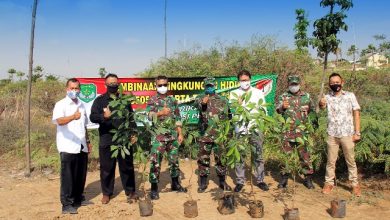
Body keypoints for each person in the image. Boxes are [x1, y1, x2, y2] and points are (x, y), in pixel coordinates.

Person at [90, 73, 138, 204]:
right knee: (107, 168)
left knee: (127, 166)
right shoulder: (100, 101)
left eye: (115, 83)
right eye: (110, 83)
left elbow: (131, 117)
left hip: (124, 138)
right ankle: (107, 193)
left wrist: (133, 133)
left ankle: (130, 191)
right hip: (107, 138)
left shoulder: (124, 100)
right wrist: (104, 117)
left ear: (118, 84)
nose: (113, 85)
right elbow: (92, 117)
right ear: (105, 85)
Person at [52, 78, 92, 214]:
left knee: (80, 174)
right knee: (68, 175)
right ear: (66, 89)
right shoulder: (61, 104)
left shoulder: (82, 105)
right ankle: (67, 204)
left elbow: (84, 125)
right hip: (67, 144)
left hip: (81, 144)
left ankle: (78, 199)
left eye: (76, 88)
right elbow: (59, 121)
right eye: (72, 88)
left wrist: (88, 141)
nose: (74, 91)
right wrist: (72, 117)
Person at [320, 72, 362, 197]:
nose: (335, 85)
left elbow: (356, 113)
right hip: (332, 134)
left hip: (347, 134)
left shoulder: (350, 96)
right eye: (332, 83)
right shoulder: (327, 97)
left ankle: (355, 185)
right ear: (329, 84)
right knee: (331, 161)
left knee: (351, 160)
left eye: (337, 82)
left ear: (342, 82)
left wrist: (357, 132)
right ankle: (328, 183)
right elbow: (321, 106)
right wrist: (321, 103)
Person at [146, 75, 186, 200]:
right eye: (160, 85)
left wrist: (180, 133)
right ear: (156, 86)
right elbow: (148, 116)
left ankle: (175, 184)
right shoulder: (152, 100)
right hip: (158, 137)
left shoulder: (172, 100)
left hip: (172, 137)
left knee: (174, 161)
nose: (163, 87)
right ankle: (153, 189)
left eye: (165, 84)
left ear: (168, 85)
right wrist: (160, 113)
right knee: (155, 162)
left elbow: (178, 118)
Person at [229, 70, 269, 192]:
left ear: (250, 80)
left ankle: (260, 180)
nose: (244, 82)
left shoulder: (257, 93)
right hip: (240, 129)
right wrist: (238, 105)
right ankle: (240, 181)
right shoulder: (234, 93)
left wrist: (263, 127)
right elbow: (232, 112)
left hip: (255, 128)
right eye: (242, 80)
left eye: (246, 80)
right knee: (239, 156)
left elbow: (263, 111)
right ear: (238, 81)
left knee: (258, 154)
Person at [276, 75, 317, 189]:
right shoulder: (283, 96)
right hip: (287, 132)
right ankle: (284, 179)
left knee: (305, 157)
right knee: (286, 157)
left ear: (299, 84)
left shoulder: (307, 97)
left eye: (295, 84)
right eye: (291, 84)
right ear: (288, 85)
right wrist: (282, 107)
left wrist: (313, 127)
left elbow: (312, 112)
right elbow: (278, 111)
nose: (293, 86)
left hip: (302, 133)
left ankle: (308, 179)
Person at [195, 77, 232, 193]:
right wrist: (203, 103)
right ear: (204, 87)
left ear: (215, 86)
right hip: (204, 135)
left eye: (211, 85)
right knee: (203, 159)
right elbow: (199, 107)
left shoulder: (223, 100)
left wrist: (228, 134)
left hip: (219, 136)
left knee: (221, 158)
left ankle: (222, 181)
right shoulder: (199, 98)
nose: (209, 87)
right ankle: (203, 182)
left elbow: (229, 117)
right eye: (207, 86)